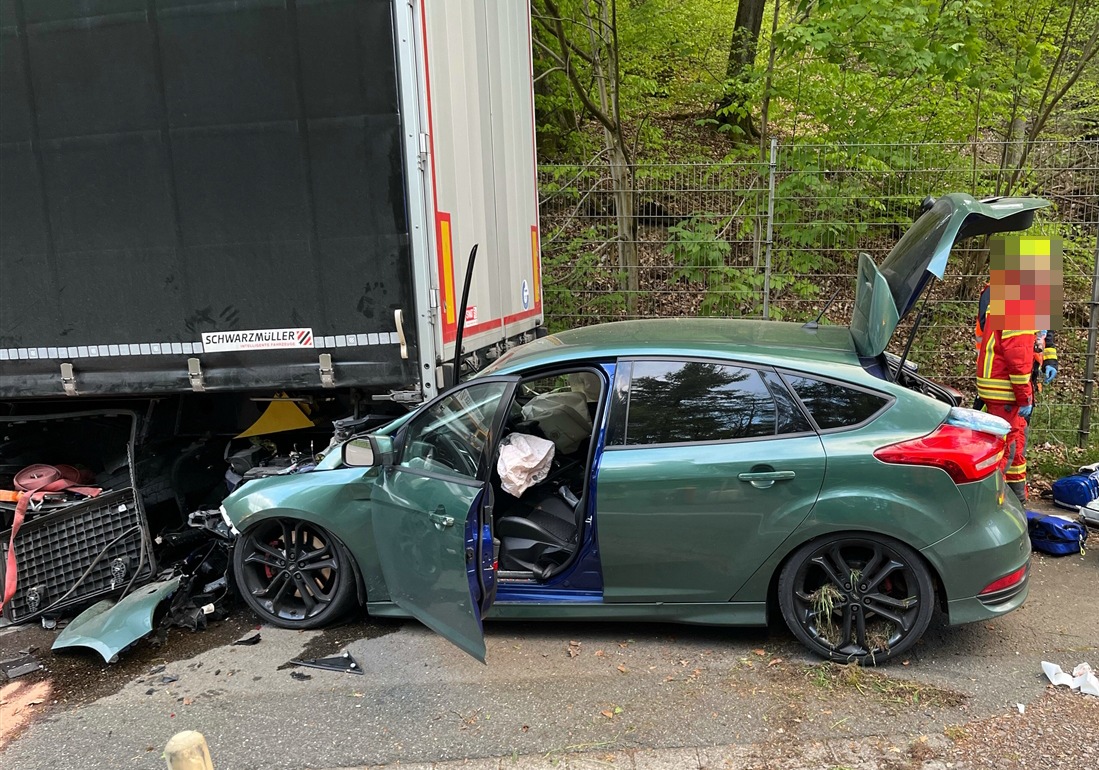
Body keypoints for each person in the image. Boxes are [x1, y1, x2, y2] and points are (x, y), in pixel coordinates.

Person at [973, 283, 1058, 502]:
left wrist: (1049, 358)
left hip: (1006, 382)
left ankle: (1014, 498)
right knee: (1005, 448)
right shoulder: (1016, 300)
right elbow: (1017, 356)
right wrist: (1024, 395)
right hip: (1007, 386)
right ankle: (990, 503)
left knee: (1014, 443)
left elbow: (1043, 333)